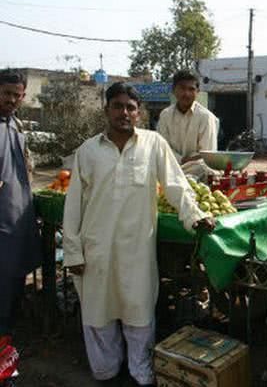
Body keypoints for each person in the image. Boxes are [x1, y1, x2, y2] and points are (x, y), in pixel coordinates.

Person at [63, 82, 215, 386]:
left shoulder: (153, 144)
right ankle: (105, 371)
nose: (124, 112)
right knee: (98, 313)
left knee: (139, 311)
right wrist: (73, 252)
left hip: (136, 248)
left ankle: (140, 372)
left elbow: (176, 185)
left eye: (131, 107)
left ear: (139, 113)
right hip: (97, 248)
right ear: (106, 110)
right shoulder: (89, 150)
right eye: (117, 106)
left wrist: (195, 215)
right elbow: (74, 204)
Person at [0, 68, 41, 343]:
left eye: (17, 95)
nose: (12, 99)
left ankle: (9, 328)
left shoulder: (15, 124)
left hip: (18, 212)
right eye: (6, 93)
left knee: (14, 275)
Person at [157, 70, 219, 179]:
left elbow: (207, 155)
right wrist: (181, 160)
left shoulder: (206, 117)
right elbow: (162, 147)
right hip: (170, 164)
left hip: (195, 169)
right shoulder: (165, 115)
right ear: (174, 90)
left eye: (191, 89)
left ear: (197, 92)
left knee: (204, 168)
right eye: (182, 88)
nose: (186, 93)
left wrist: (187, 162)